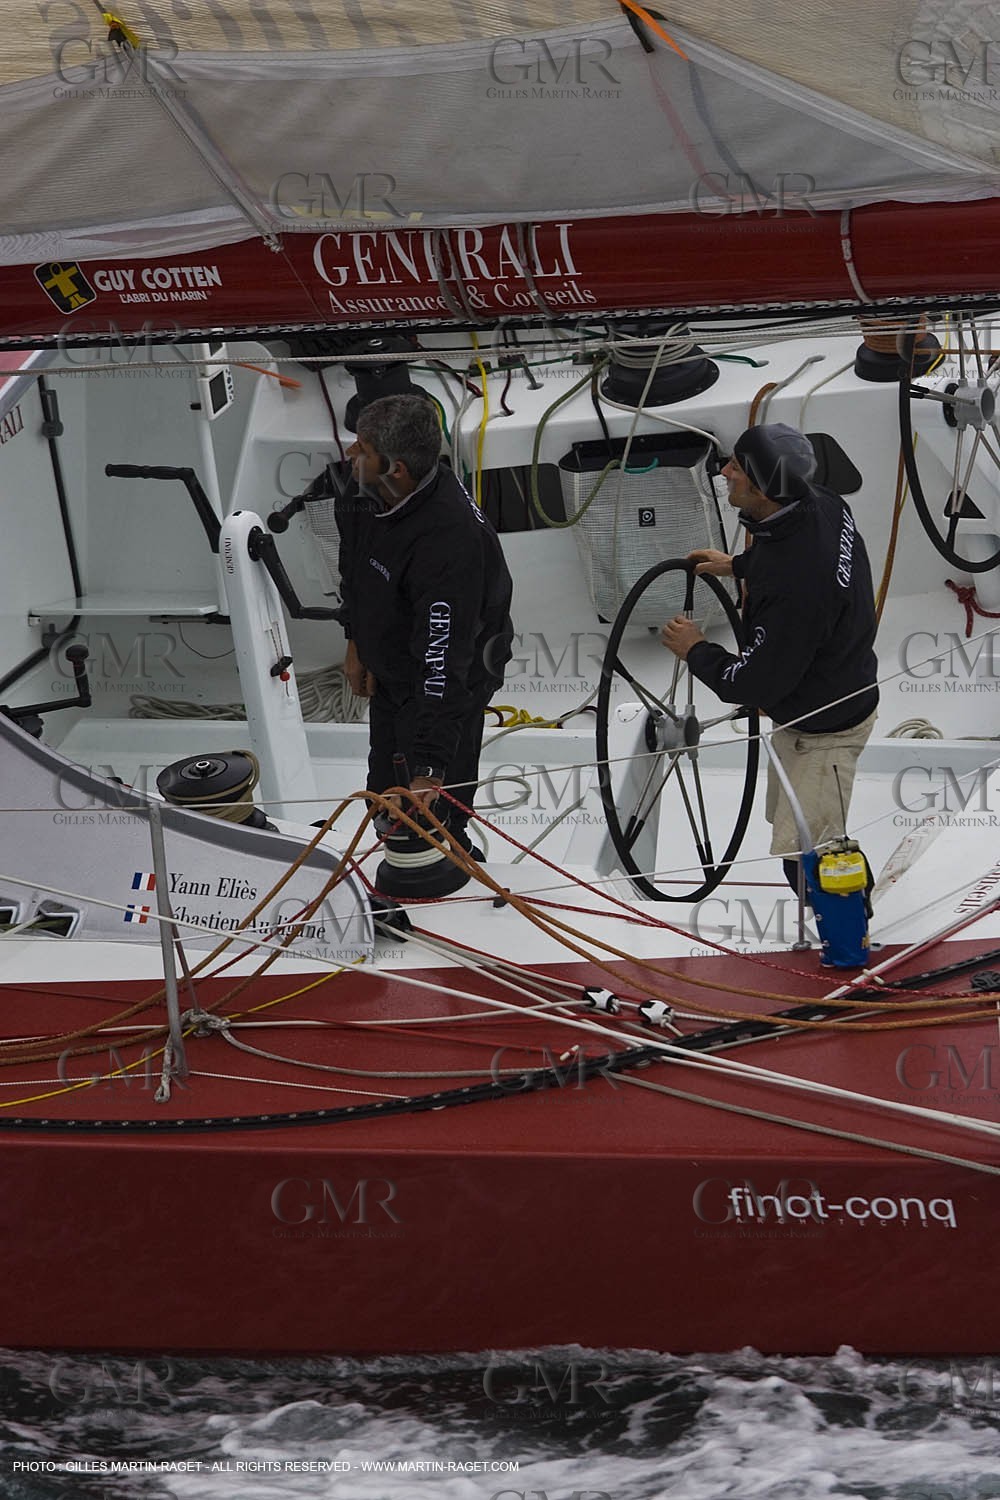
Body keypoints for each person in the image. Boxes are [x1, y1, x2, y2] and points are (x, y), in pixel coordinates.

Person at [660, 422, 879, 892]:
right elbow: (794, 557)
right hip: (837, 687)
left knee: (814, 860)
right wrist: (737, 565)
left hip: (824, 733)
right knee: (805, 843)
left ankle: (849, 950)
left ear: (763, 487)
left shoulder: (796, 586)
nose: (723, 471)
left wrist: (695, 649)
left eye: (736, 467)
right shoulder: (823, 502)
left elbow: (753, 687)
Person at [333, 393, 514, 851]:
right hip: (393, 670)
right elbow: (353, 567)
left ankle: (454, 856)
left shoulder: (449, 544)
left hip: (451, 679)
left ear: (395, 468)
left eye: (363, 449)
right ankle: (397, 838)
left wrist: (430, 769)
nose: (350, 454)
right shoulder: (360, 490)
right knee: (384, 800)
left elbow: (444, 659)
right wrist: (357, 643)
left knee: (428, 816)